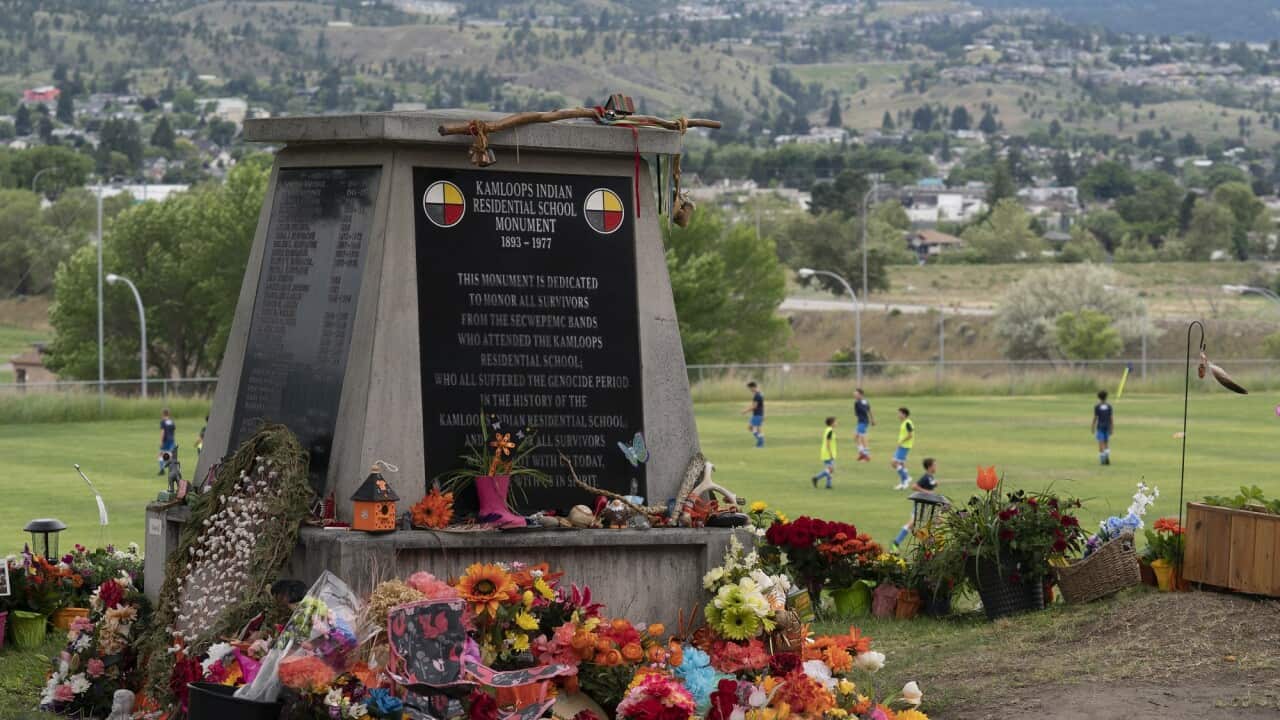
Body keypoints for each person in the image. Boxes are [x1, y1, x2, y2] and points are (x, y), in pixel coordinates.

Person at [893, 457, 940, 549]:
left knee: (936, 521)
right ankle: (896, 542)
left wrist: (935, 485)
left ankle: (930, 543)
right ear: (930, 467)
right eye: (935, 465)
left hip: (927, 506)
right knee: (912, 524)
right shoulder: (925, 477)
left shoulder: (930, 477)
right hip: (920, 506)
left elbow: (931, 485)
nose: (936, 467)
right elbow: (914, 486)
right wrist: (927, 492)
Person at [812, 416, 838, 489]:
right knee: (831, 469)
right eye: (835, 422)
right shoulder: (830, 431)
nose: (836, 423)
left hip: (826, 453)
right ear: (832, 423)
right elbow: (828, 443)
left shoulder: (828, 430)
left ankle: (828, 485)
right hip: (828, 454)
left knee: (829, 469)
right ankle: (816, 478)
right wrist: (831, 454)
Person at [892, 407, 914, 490]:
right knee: (901, 464)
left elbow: (910, 435)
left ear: (904, 414)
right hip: (903, 446)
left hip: (904, 446)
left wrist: (901, 442)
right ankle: (903, 483)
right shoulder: (904, 422)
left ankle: (907, 477)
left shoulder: (908, 423)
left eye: (899, 413)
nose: (898, 415)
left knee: (894, 463)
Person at [853, 387, 875, 462]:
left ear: (861, 394)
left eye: (856, 394)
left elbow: (869, 410)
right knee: (856, 437)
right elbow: (857, 413)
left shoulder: (864, 402)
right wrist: (872, 419)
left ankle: (866, 456)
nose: (854, 395)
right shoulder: (857, 402)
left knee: (862, 438)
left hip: (863, 422)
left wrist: (872, 419)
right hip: (860, 422)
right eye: (854, 394)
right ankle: (862, 453)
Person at [1092, 390, 1113, 465]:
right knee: (1106, 443)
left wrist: (1093, 427)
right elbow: (1111, 418)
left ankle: (1102, 460)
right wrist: (1112, 428)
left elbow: (1095, 418)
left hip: (1100, 427)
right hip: (1107, 427)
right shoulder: (1109, 406)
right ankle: (1107, 456)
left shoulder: (1097, 407)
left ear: (1098, 397)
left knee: (1100, 443)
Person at [742, 381, 765, 448]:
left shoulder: (757, 396)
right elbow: (761, 406)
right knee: (756, 429)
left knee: (751, 428)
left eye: (750, 388)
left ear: (753, 387)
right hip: (759, 414)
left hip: (757, 415)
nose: (750, 390)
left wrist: (745, 411)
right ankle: (760, 443)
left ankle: (761, 443)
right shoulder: (760, 394)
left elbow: (754, 406)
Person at [158, 408, 176, 475]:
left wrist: (161, 441)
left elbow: (163, 432)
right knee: (169, 455)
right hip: (172, 440)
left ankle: (162, 469)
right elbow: (173, 431)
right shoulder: (172, 422)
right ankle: (172, 468)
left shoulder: (163, 422)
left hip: (165, 441)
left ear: (163, 414)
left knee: (161, 454)